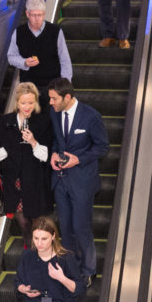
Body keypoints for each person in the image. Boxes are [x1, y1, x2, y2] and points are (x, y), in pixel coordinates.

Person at [0, 81, 53, 247]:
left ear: (36, 101)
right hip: (14, 182)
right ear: (17, 102)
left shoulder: (42, 121)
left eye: (31, 102)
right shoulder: (7, 121)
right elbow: (4, 150)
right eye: (23, 103)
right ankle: (31, 260)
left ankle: (43, 260)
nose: (27, 107)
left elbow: (45, 156)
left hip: (35, 181)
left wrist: (33, 142)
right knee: (24, 225)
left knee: (40, 227)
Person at [47, 77, 109, 284]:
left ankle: (89, 269)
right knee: (65, 227)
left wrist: (78, 159)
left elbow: (102, 147)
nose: (50, 102)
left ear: (67, 97)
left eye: (54, 98)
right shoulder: (55, 114)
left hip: (82, 181)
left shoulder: (91, 116)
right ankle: (72, 267)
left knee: (80, 226)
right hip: (61, 181)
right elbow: (57, 140)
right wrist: (54, 155)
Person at [6, 0, 72, 95]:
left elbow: (65, 60)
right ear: (27, 14)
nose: (37, 19)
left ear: (44, 14)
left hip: (52, 86)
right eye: (33, 15)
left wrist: (65, 86)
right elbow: (11, 57)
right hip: (27, 88)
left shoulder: (55, 31)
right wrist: (24, 62)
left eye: (40, 15)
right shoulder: (19, 32)